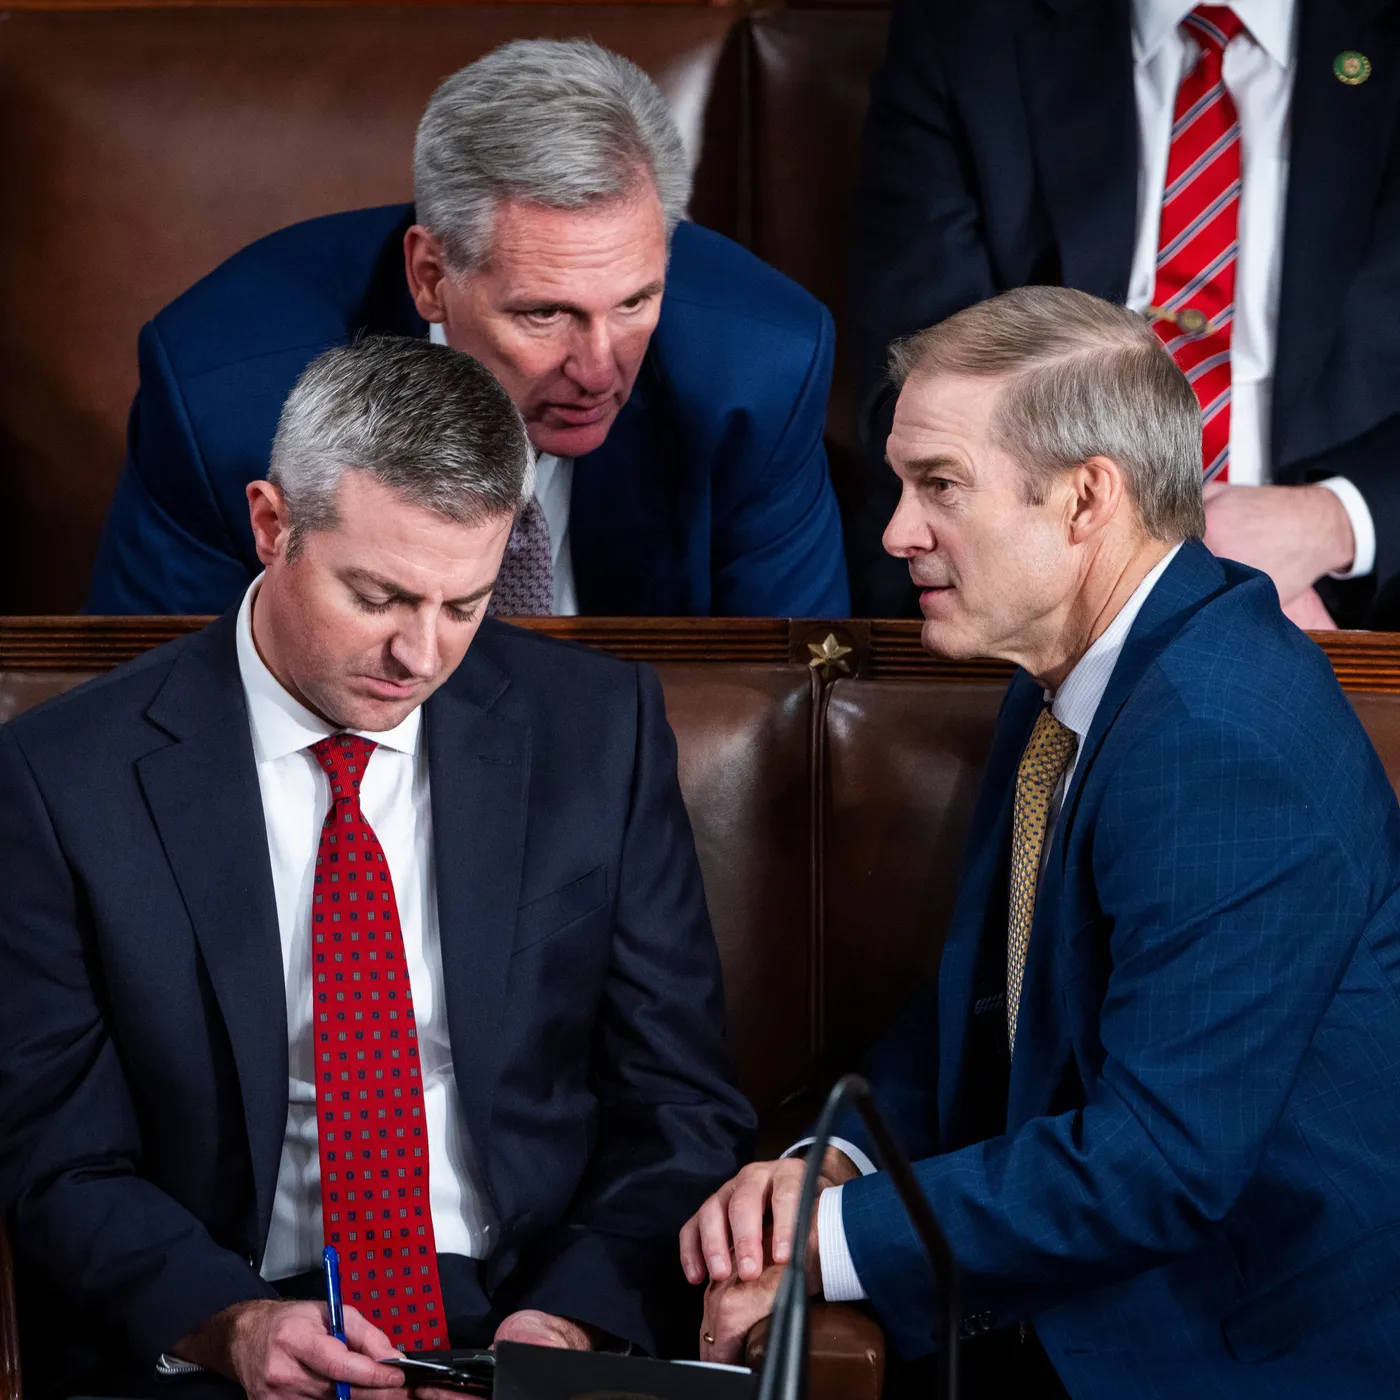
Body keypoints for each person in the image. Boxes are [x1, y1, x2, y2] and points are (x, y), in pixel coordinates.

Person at [0, 336, 755, 1400]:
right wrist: (229, 1322)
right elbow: (52, 1152)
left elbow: (677, 1101)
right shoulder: (61, 777)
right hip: (222, 1320)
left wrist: (574, 1318)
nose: (422, 654)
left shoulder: (596, 731)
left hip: (515, 1309)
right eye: (379, 596)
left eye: (465, 603)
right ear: (271, 525)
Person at [679, 289, 1400, 1398]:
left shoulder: (1218, 736)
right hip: (1082, 1294)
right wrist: (828, 1170)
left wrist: (825, 1249)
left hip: (1224, 1344)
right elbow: (989, 1015)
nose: (893, 532)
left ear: (1083, 499)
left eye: (940, 487)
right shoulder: (1065, 673)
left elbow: (1159, 1165)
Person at [86, 39, 849, 620]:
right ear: (429, 278)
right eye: (543, 313)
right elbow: (150, 721)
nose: (596, 368)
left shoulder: (762, 369)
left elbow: (786, 697)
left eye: (633, 303)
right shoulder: (225, 394)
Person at [847, 0, 1400, 630]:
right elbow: (920, 372)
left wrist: (1337, 519)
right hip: (1028, 567)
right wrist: (1120, 567)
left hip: (1358, 592)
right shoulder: (968, 31)